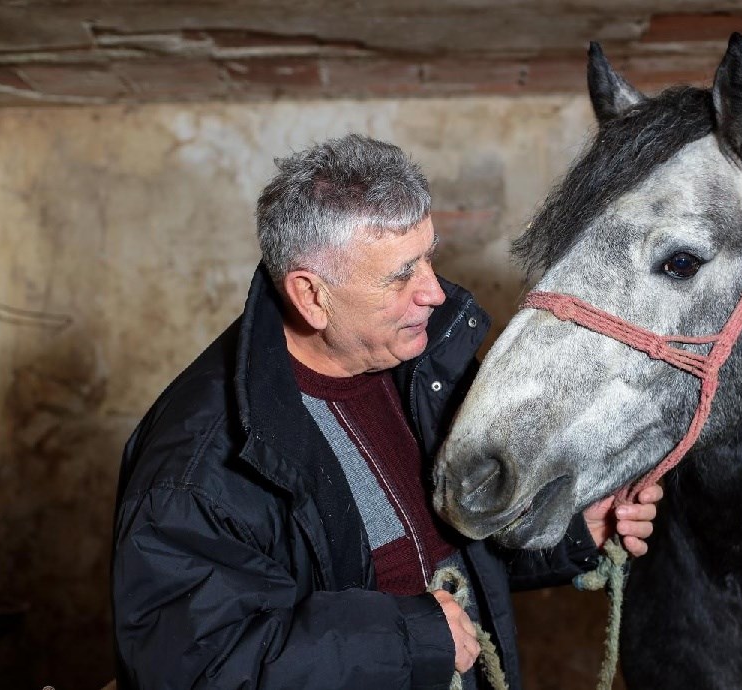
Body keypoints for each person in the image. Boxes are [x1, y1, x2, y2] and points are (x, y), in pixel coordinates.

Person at [110, 134, 662, 689]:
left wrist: (571, 533)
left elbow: (455, 550)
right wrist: (411, 636)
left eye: (429, 257)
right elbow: (198, 669)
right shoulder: (197, 467)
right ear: (311, 295)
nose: (434, 293)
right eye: (401, 275)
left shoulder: (423, 368)